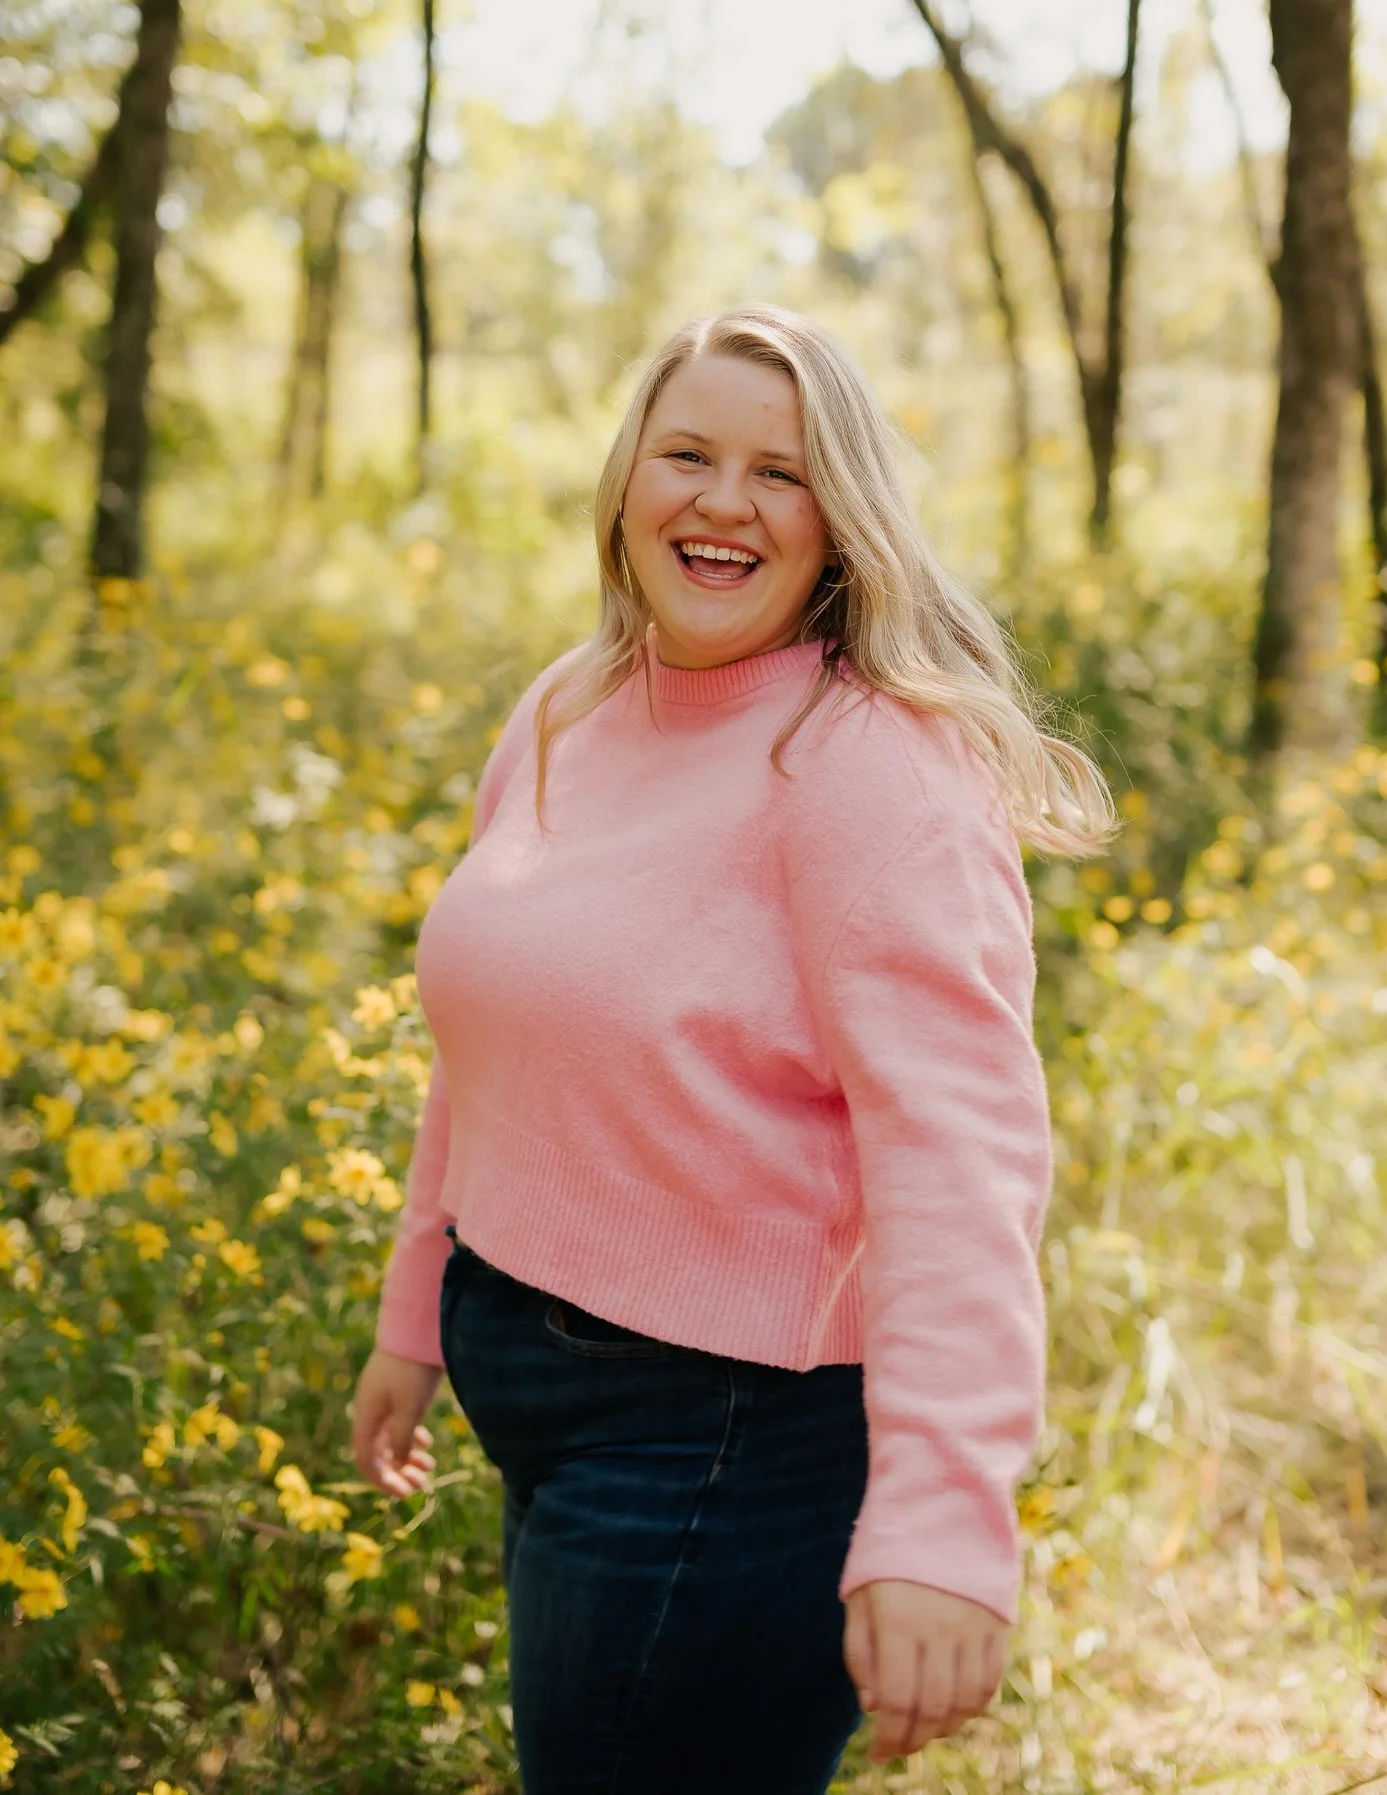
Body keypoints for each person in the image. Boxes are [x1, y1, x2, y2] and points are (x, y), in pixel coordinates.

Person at [350, 303, 1113, 1794]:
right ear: (627, 477)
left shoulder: (871, 765)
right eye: (686, 451)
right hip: (539, 1372)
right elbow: (494, 1042)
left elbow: (960, 1165)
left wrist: (944, 1516)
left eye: (781, 471)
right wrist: (418, 1306)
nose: (720, 500)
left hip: (727, 1436)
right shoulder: (567, 706)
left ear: (842, 522)